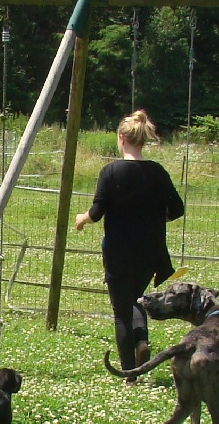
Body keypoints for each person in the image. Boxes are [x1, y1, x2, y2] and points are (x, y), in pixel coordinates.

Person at [74, 109, 184, 385]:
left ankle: (129, 375)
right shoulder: (157, 172)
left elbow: (97, 212)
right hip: (151, 253)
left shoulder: (111, 172)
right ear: (142, 140)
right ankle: (142, 341)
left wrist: (82, 219)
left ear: (122, 138)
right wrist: (158, 217)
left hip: (119, 252)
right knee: (136, 298)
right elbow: (177, 209)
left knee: (122, 312)